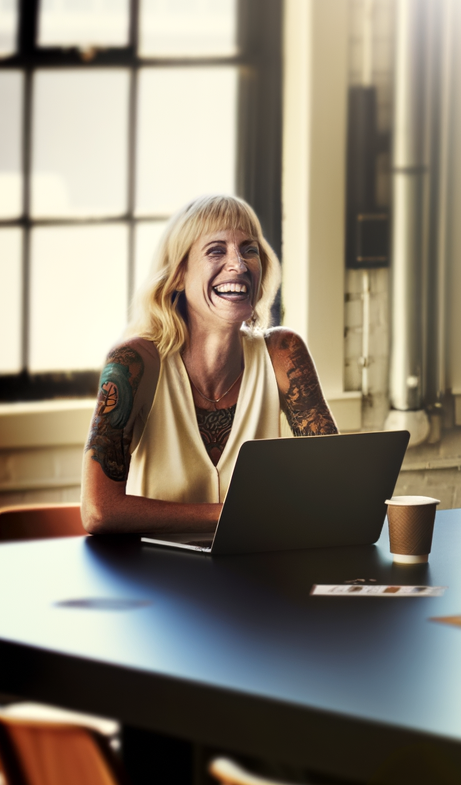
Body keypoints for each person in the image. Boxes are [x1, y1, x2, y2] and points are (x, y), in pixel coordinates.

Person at [80, 194, 337, 535]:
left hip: (255, 571)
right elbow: (99, 512)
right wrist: (231, 514)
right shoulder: (132, 363)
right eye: (217, 250)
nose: (240, 265)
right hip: (155, 574)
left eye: (249, 250)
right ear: (178, 274)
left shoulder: (283, 352)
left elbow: (339, 486)